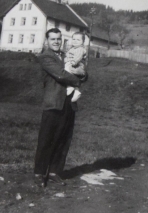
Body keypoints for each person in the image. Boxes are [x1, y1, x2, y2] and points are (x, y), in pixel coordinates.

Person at [34, 28, 86, 187]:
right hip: (53, 103)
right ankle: (39, 173)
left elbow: (85, 72)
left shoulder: (66, 54)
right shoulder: (45, 57)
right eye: (53, 39)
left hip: (69, 103)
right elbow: (61, 74)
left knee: (63, 138)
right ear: (47, 41)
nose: (56, 42)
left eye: (58, 39)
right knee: (46, 139)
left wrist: (83, 74)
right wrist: (78, 80)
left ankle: (54, 172)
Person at [64, 32, 87, 103]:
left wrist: (74, 61)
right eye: (73, 39)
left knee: (67, 70)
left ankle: (70, 86)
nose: (75, 41)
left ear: (83, 42)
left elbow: (79, 56)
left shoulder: (80, 49)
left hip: (77, 64)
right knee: (70, 72)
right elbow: (67, 56)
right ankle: (76, 91)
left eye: (78, 40)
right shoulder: (72, 49)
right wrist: (66, 59)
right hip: (73, 63)